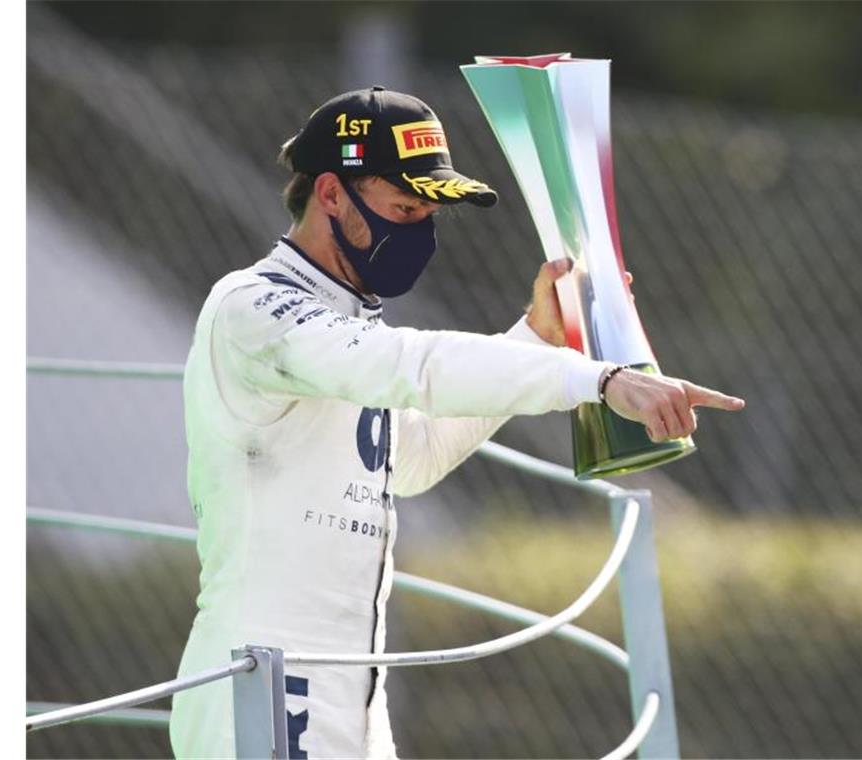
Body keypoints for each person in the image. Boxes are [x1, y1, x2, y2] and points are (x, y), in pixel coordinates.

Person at [169, 86, 744, 759]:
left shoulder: (350, 323)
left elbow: (409, 460)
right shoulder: (253, 308)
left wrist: (536, 338)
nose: (420, 230)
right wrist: (600, 380)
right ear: (329, 194)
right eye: (405, 208)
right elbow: (415, 366)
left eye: (429, 213)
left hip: (351, 693)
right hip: (263, 686)